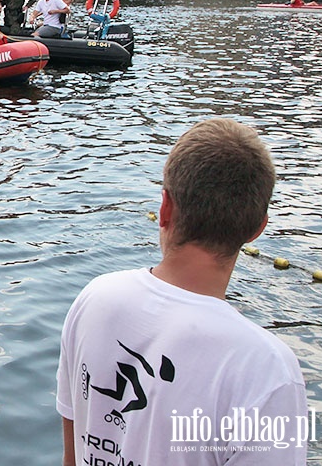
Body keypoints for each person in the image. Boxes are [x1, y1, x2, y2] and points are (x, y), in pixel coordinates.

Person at [57, 118, 308, 466]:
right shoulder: (268, 369)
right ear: (257, 229)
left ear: (165, 208)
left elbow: (75, 454)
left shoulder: (94, 300)